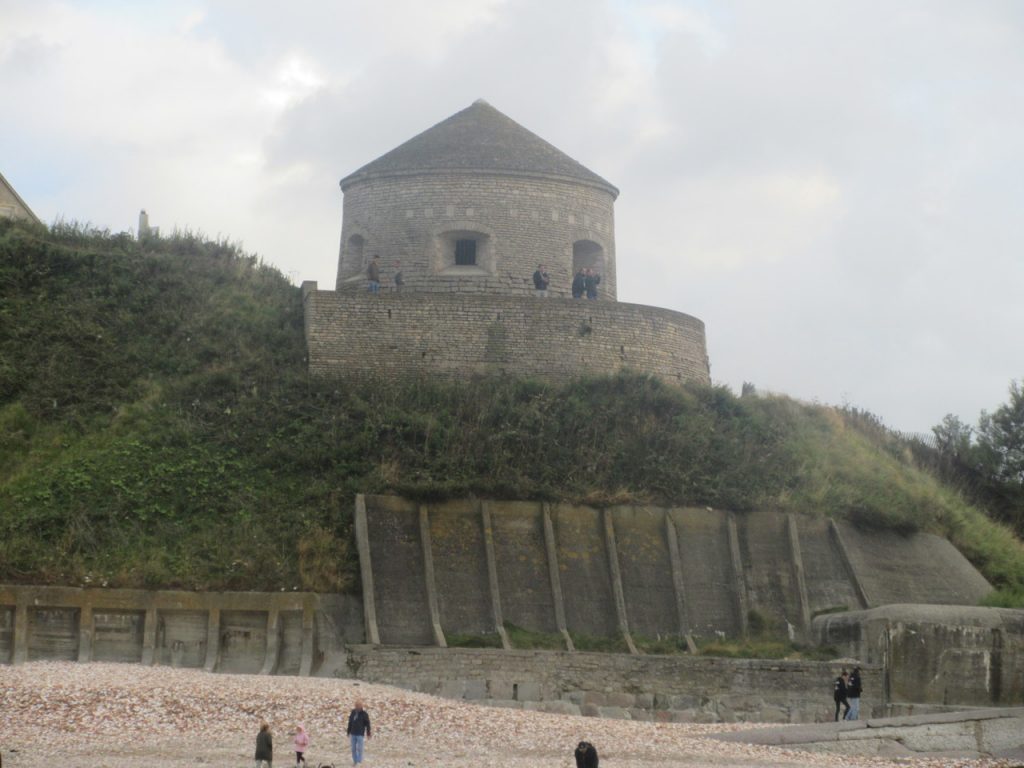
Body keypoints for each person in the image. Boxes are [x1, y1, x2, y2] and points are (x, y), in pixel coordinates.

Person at [346, 699, 372, 765]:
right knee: (353, 749)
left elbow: (367, 724)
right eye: (356, 705)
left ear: (361, 706)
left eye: (358, 705)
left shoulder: (364, 714)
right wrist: (348, 731)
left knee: (360, 749)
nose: (357, 707)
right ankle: (355, 761)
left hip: (360, 734)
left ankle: (359, 761)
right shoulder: (353, 712)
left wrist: (368, 733)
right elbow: (350, 722)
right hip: (353, 733)